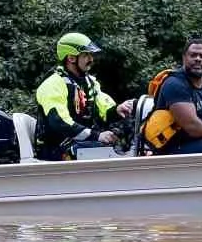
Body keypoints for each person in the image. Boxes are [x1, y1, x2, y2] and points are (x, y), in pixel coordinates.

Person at [34, 32, 134, 160]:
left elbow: (101, 110)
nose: (91, 59)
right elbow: (59, 122)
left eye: (91, 55)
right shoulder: (53, 84)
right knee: (105, 152)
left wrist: (117, 110)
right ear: (71, 58)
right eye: (86, 55)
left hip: (78, 144)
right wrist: (97, 136)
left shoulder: (88, 82)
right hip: (55, 149)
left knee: (122, 146)